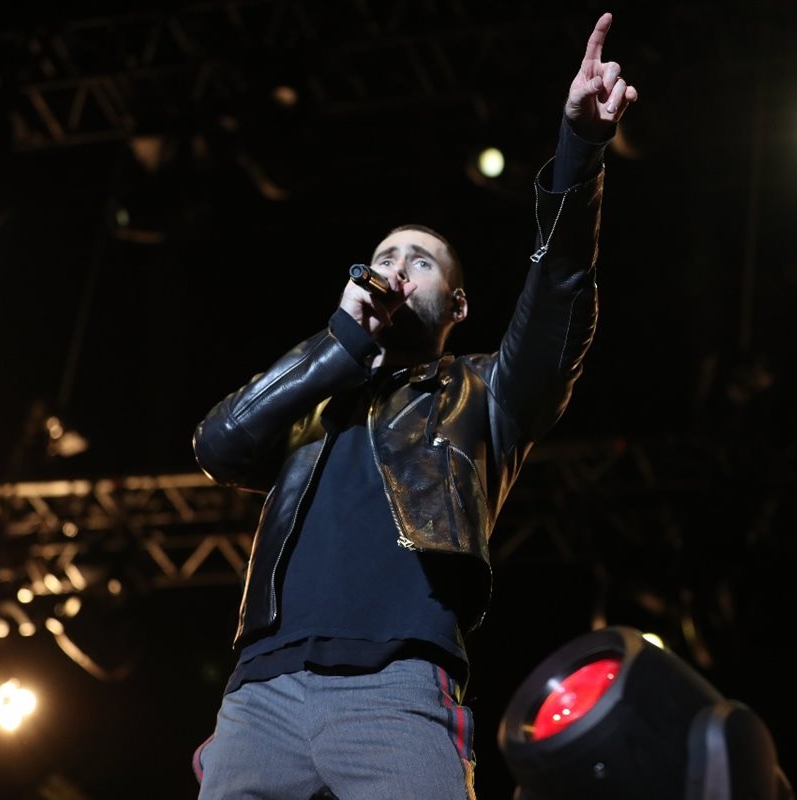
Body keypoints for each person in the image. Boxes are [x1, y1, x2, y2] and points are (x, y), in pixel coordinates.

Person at [190, 11, 639, 800]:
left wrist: (581, 151)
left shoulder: (483, 394)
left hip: (393, 688)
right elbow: (218, 443)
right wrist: (339, 345)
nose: (398, 269)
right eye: (387, 255)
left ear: (457, 305)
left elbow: (561, 286)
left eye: (420, 262)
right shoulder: (316, 396)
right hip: (258, 696)